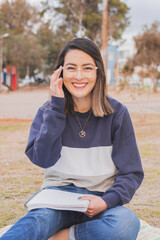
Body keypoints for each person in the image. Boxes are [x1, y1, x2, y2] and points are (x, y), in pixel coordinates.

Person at [1, 38, 144, 240]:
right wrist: (57, 108)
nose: (79, 76)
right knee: (34, 223)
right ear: (59, 72)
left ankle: (59, 237)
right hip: (57, 200)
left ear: (98, 72)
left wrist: (106, 201)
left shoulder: (117, 113)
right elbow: (42, 159)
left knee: (126, 224)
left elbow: (132, 172)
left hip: (101, 201)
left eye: (87, 68)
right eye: (71, 68)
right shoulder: (47, 111)